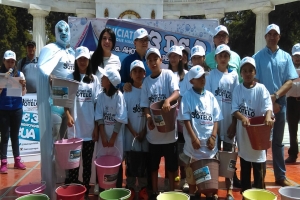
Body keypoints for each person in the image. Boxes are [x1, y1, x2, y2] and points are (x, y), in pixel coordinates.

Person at [253, 24, 298, 186]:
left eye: (275, 34)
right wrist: (268, 101)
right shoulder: (257, 57)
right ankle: (260, 177)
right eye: (269, 34)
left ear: (279, 36)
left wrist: (276, 97)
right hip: (262, 106)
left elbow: (290, 81)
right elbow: (254, 81)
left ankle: (280, 176)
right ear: (265, 37)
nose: (272, 36)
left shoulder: (286, 57)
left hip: (281, 104)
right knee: (262, 142)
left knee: (278, 142)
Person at [37, 20, 75, 197]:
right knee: (52, 146)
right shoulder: (50, 49)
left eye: (67, 29)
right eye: (60, 29)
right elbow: (43, 70)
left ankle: (65, 184)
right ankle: (50, 186)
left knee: (67, 147)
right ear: (55, 31)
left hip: (69, 107)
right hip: (54, 106)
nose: (64, 32)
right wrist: (49, 77)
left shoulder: (72, 53)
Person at [140, 48, 180, 199]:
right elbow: (145, 105)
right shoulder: (146, 82)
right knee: (153, 166)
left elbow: (176, 92)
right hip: (154, 135)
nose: (152, 62)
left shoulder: (168, 75)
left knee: (171, 167)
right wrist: (149, 118)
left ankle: (171, 192)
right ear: (147, 63)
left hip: (170, 134)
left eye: (155, 59)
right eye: (149, 60)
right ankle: (155, 192)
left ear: (160, 60)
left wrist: (168, 101)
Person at [178, 65, 222, 200]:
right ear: (191, 81)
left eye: (203, 76)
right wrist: (193, 138)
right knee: (192, 179)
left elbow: (216, 118)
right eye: (198, 78)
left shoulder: (210, 97)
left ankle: (208, 193)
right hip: (193, 148)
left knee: (208, 183)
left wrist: (213, 136)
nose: (202, 79)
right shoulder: (187, 96)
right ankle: (192, 194)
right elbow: (185, 119)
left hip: (209, 148)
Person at [231, 56, 273, 193]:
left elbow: (268, 106)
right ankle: (246, 194)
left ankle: (259, 193)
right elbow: (234, 109)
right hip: (243, 138)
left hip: (258, 138)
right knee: (245, 171)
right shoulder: (238, 89)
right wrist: (242, 118)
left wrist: (267, 116)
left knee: (259, 172)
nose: (248, 74)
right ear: (241, 73)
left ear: (255, 72)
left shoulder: (261, 89)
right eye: (245, 71)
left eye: (250, 70)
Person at [64, 46, 100, 199]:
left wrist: (97, 127)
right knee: (73, 165)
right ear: (76, 60)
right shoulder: (70, 77)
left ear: (88, 60)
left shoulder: (94, 79)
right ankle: (73, 192)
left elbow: (98, 105)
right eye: (80, 59)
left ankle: (84, 191)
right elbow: (65, 101)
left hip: (89, 131)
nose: (83, 62)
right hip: (74, 131)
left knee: (87, 165)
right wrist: (67, 115)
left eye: (85, 59)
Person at [205, 44, 239, 200]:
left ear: (229, 58)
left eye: (226, 56)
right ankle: (214, 189)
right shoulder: (211, 75)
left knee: (229, 157)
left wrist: (234, 122)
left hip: (229, 124)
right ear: (216, 58)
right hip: (214, 124)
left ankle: (229, 189)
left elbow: (236, 101)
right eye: (220, 56)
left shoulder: (234, 76)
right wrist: (212, 126)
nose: (223, 58)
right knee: (214, 156)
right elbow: (208, 101)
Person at [94, 67, 128, 190]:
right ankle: (101, 186)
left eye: (104, 77)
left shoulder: (119, 96)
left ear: (109, 81)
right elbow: (99, 116)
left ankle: (117, 188)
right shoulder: (101, 96)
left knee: (117, 160)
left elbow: (120, 118)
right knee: (101, 159)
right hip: (104, 137)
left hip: (116, 138)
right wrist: (103, 136)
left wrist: (113, 138)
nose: (101, 79)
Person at [123, 60, 149, 200]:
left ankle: (144, 188)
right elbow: (124, 115)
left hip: (145, 134)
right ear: (131, 74)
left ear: (144, 73)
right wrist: (133, 132)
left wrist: (144, 131)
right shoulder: (127, 93)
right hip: (130, 136)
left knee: (144, 162)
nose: (138, 74)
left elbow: (149, 113)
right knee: (131, 163)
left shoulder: (148, 90)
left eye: (140, 71)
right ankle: (131, 187)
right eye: (135, 71)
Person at [166, 45, 189, 192]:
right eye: (171, 56)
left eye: (176, 56)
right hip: (169, 118)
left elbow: (187, 96)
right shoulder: (165, 74)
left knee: (183, 149)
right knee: (170, 151)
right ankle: (170, 180)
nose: (173, 58)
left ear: (181, 58)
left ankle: (185, 179)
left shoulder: (187, 75)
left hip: (182, 118)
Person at [0, 50, 27, 174]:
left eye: (12, 61)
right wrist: (2, 82)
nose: (10, 64)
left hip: (17, 109)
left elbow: (23, 94)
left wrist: (23, 86)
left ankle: (17, 160)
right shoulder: (0, 75)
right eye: (8, 61)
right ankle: (4, 162)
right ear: (4, 61)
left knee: (15, 135)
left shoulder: (20, 74)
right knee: (4, 136)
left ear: (15, 62)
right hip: (3, 109)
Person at [120, 28, 152, 92]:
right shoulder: (127, 61)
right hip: (132, 99)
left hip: (149, 98)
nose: (144, 42)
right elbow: (120, 81)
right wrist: (123, 85)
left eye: (146, 40)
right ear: (135, 43)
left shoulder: (151, 60)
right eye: (141, 40)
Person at [285, 43, 300, 163]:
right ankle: (293, 154)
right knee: (292, 129)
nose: (298, 58)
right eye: (296, 56)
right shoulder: (288, 68)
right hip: (291, 102)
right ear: (292, 56)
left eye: (299, 55)